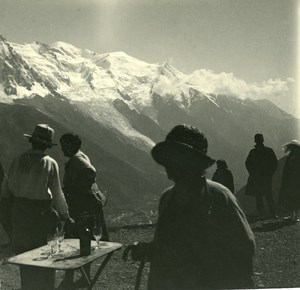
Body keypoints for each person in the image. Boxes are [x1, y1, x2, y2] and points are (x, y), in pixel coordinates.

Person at [124, 124, 255, 290]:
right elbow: (168, 244)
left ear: (190, 162)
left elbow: (244, 249)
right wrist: (148, 250)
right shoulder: (167, 198)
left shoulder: (219, 196)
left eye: (174, 157)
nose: (167, 163)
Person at [1, 124, 71, 290]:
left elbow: (5, 191)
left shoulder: (17, 160)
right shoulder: (50, 163)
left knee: (26, 261)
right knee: (46, 260)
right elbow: (58, 195)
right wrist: (65, 215)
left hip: (19, 215)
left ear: (31, 141)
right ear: (47, 145)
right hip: (40, 218)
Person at [58, 133, 108, 289]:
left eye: (65, 145)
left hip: (80, 208)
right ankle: (84, 277)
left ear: (71, 145)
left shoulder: (76, 161)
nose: (62, 149)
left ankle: (68, 279)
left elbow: (90, 172)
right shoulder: (81, 156)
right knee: (84, 242)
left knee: (72, 241)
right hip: (88, 207)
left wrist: (74, 193)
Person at [245, 133, 278, 218]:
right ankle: (273, 213)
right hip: (266, 177)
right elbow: (275, 163)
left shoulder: (253, 152)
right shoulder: (268, 150)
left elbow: (247, 163)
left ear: (255, 140)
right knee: (268, 195)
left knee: (259, 195)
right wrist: (269, 173)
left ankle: (262, 213)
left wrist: (252, 173)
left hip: (257, 177)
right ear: (263, 140)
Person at [278, 140, 300, 222]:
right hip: (292, 180)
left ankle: (296, 216)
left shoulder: (296, 155)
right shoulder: (292, 155)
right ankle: (293, 216)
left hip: (295, 180)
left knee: (295, 198)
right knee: (292, 198)